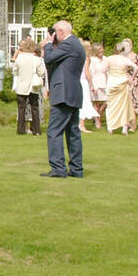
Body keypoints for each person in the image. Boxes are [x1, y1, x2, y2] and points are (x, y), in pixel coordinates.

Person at [43, 20, 85, 178]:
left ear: (60, 32)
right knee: (73, 132)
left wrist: (48, 44)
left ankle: (58, 168)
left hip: (63, 93)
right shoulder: (76, 45)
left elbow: (49, 59)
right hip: (73, 93)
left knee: (54, 131)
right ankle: (76, 169)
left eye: (54, 32)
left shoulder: (68, 45)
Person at [11, 37, 44, 136]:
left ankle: (20, 129)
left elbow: (15, 71)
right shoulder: (36, 59)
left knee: (21, 108)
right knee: (35, 108)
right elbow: (41, 72)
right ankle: (36, 129)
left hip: (22, 86)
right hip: (33, 86)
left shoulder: (19, 58)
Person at [103, 40, 136, 134]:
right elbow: (136, 68)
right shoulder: (125, 59)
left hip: (112, 82)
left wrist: (109, 74)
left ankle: (110, 128)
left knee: (111, 106)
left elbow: (103, 70)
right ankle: (124, 128)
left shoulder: (109, 58)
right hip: (122, 82)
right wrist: (131, 78)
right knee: (124, 105)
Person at [78, 40, 99, 132]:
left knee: (81, 103)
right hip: (83, 82)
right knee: (85, 102)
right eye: (89, 46)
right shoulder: (86, 57)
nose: (91, 48)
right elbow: (87, 73)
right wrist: (92, 85)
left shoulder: (78, 57)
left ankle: (79, 124)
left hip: (77, 81)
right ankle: (81, 125)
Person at [90, 42, 109, 129]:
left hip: (105, 83)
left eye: (102, 49)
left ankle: (98, 115)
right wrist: (93, 86)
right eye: (99, 49)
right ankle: (97, 120)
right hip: (96, 83)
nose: (102, 50)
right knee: (97, 103)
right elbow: (91, 73)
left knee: (107, 101)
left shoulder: (106, 59)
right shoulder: (93, 60)